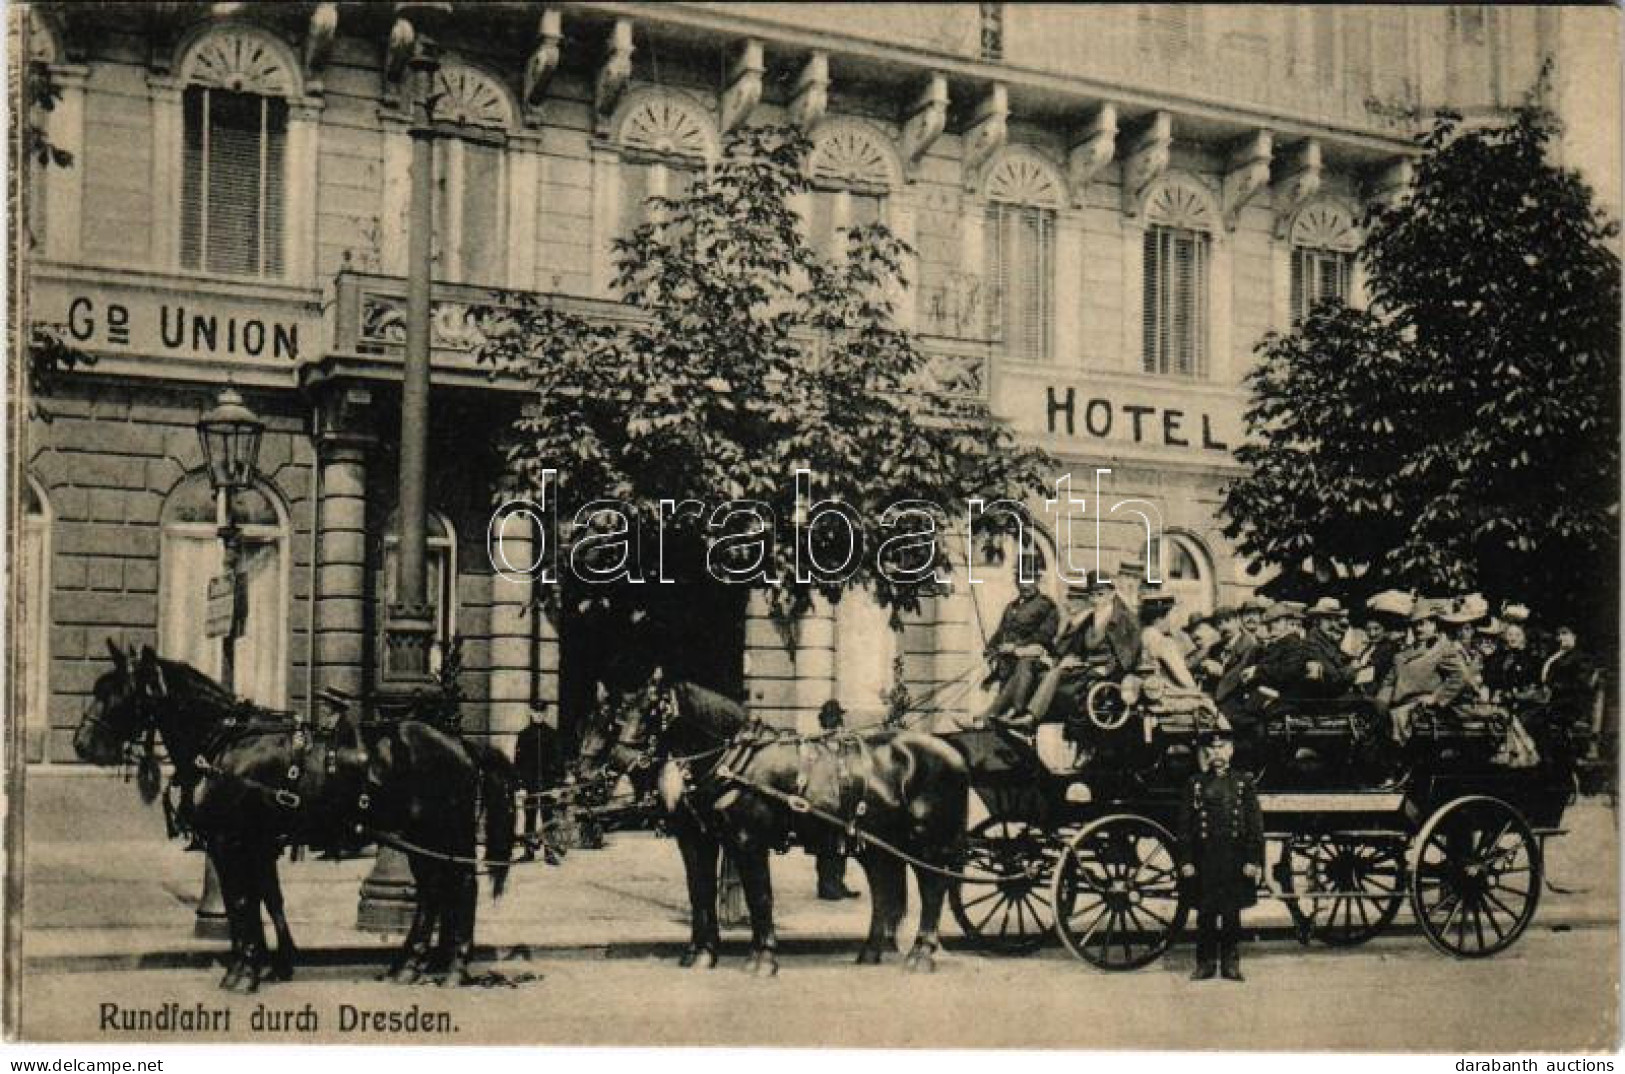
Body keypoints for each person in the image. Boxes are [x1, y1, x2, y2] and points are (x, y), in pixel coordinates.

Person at [1179, 723, 1264, 982]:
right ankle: (1205, 963)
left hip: (1234, 856)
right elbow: (1184, 826)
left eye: (1222, 747)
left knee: (1231, 912)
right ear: (1206, 752)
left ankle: (1230, 962)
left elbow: (1255, 825)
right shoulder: (1194, 783)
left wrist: (1253, 859)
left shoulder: (1243, 783)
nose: (1217, 752)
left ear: (1231, 750)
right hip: (1205, 857)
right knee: (1205, 913)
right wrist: (1185, 860)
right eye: (1212, 748)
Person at [1016, 572, 1139, 728]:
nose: (1096, 599)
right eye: (1092, 595)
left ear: (1112, 593)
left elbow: (1130, 653)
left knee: (1056, 675)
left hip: (1109, 672)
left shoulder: (1125, 619)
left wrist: (1108, 669)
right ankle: (1028, 717)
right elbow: (1071, 645)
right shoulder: (1089, 618)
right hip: (1087, 666)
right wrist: (1071, 653)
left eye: (1100, 594)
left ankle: (1031, 718)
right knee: (1048, 671)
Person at [1378, 598, 1469, 743]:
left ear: (1434, 625)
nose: (1418, 629)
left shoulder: (1442, 649)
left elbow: (1461, 676)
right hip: (1396, 711)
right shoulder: (1403, 653)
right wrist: (1380, 705)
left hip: (1421, 714)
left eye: (1423, 624)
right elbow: (1389, 682)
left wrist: (1436, 697)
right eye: (1415, 625)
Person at [977, 567, 1060, 723]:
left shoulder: (1046, 605)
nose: (1025, 585)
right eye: (1021, 581)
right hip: (1007, 661)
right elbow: (1001, 631)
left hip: (1036, 658)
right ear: (1016, 582)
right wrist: (990, 648)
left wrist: (1016, 647)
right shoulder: (1011, 607)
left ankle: (1016, 711)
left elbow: (1045, 635)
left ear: (1037, 581)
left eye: (1029, 581)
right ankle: (993, 720)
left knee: (1024, 665)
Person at [813, 700, 862, 900]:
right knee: (826, 846)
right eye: (834, 717)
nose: (838, 721)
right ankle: (826, 886)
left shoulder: (843, 741)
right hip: (824, 801)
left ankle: (838, 883)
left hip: (843, 800)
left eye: (838, 717)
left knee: (841, 846)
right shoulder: (817, 743)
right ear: (826, 720)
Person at [514, 701, 567, 861]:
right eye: (536, 712)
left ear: (546, 713)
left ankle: (549, 852)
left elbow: (558, 761)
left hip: (547, 783)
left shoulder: (552, 735)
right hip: (529, 783)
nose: (538, 715)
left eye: (542, 712)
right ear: (530, 712)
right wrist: (520, 785)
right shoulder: (523, 735)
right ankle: (528, 851)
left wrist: (557, 785)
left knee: (547, 817)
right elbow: (518, 763)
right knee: (529, 816)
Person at [1298, 598, 1358, 699]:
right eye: (1328, 619)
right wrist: (1352, 668)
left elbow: (1338, 658)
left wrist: (1351, 660)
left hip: (1335, 693)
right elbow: (1333, 678)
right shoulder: (1312, 643)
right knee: (1377, 705)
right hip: (1325, 698)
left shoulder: (1326, 640)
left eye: (1335, 619)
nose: (1333, 624)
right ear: (1316, 620)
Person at [1137, 592, 1199, 689]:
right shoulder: (1163, 642)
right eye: (1174, 613)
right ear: (1161, 616)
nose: (1177, 618)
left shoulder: (1144, 635)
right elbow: (1185, 679)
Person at [1355, 591, 1411, 696]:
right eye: (1368, 630)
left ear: (1385, 630)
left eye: (1376, 629)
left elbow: (1374, 672)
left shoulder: (1387, 648)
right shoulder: (1369, 647)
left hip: (1375, 692)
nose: (1372, 633)